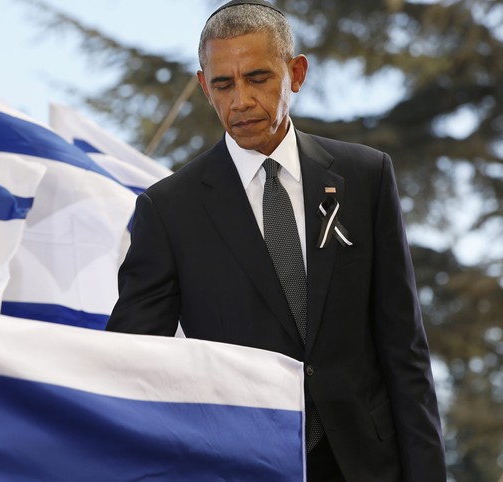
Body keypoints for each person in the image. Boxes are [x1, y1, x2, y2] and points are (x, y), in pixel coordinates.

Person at [105, 1, 446, 480]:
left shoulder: (365, 176)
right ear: (204, 86)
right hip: (239, 464)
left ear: (296, 72)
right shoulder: (168, 210)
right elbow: (132, 366)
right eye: (223, 84)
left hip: (368, 465)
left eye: (258, 78)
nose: (240, 100)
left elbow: (403, 348)